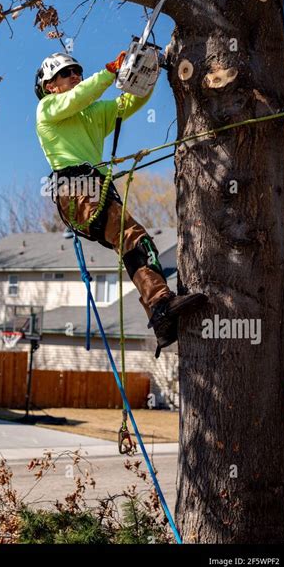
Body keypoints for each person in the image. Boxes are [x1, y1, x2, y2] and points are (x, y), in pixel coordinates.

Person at [35, 51, 207, 357]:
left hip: (97, 187)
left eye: (77, 70)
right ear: (50, 86)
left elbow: (128, 103)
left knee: (136, 242)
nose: (75, 75)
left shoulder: (92, 113)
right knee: (130, 235)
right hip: (74, 188)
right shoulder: (48, 108)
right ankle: (160, 305)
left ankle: (161, 313)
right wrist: (109, 71)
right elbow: (78, 98)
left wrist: (147, 74)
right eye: (66, 73)